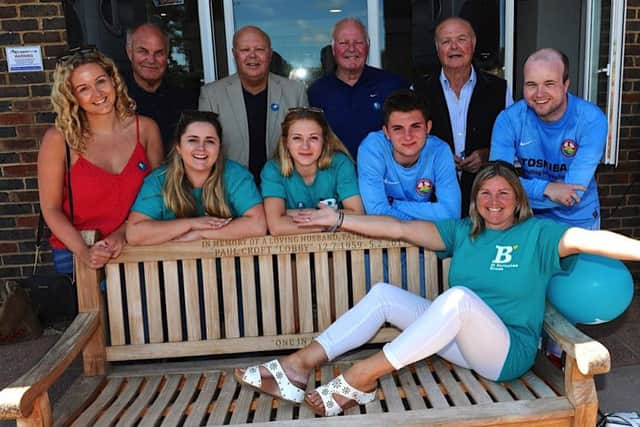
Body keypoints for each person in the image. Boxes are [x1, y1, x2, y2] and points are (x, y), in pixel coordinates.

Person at [233, 160, 640, 416]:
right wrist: (337, 220)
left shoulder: (540, 235)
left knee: (459, 299)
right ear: (474, 200)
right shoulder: (463, 232)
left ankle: (363, 376)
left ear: (518, 201)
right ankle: (297, 367)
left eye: (503, 193)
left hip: (506, 354)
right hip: (460, 345)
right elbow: (399, 227)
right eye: (485, 192)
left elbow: (597, 240)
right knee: (384, 295)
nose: (493, 201)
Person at [38, 47, 163, 273]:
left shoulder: (145, 129)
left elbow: (159, 196)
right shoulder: (59, 140)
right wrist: (85, 252)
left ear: (113, 80)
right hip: (77, 251)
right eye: (83, 88)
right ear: (71, 96)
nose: (97, 94)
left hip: (138, 244)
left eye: (101, 82)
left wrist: (122, 234)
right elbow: (50, 208)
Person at [490, 48, 607, 229]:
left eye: (549, 84)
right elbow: (496, 184)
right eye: (531, 84)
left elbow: (573, 194)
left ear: (566, 85)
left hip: (578, 221)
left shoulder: (591, 120)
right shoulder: (508, 120)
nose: (539, 93)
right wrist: (548, 189)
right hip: (529, 218)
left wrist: (517, 188)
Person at [412, 17, 512, 216]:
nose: (454, 47)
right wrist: (437, 156)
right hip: (434, 200)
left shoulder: (499, 89)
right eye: (446, 41)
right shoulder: (418, 90)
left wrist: (486, 155)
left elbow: (513, 141)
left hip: (487, 200)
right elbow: (409, 142)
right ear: (437, 48)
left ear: (473, 44)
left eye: (461, 39)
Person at [126, 111, 267, 245]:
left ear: (219, 147)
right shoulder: (158, 180)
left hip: (228, 267)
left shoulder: (236, 175)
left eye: (210, 141)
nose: (201, 148)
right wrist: (192, 223)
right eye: (192, 140)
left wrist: (202, 233)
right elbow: (134, 233)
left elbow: (258, 225)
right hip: (174, 268)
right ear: (179, 147)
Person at [199, 26, 308, 181]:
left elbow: (307, 142)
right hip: (231, 189)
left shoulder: (294, 91)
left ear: (269, 54)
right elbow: (204, 151)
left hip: (285, 186)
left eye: (259, 49)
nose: (252, 56)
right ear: (234, 54)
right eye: (245, 50)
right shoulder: (211, 94)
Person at [308, 18, 408, 158]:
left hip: (384, 176)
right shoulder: (317, 92)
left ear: (368, 47)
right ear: (334, 50)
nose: (351, 48)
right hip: (335, 176)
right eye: (344, 43)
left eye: (358, 42)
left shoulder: (393, 85)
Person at [358, 90, 461, 221]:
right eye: (398, 128)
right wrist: (428, 216)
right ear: (386, 132)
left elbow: (452, 214)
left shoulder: (439, 150)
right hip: (386, 237)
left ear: (428, 128)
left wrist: (393, 204)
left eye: (415, 126)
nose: (408, 136)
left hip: (419, 235)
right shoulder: (372, 148)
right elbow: (376, 213)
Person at [260, 107, 363, 235]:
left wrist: (291, 213)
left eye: (313, 138)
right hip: (293, 252)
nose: (305, 146)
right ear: (286, 142)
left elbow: (357, 214)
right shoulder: (273, 169)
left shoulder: (340, 164)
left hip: (339, 250)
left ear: (324, 141)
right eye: (297, 138)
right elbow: (277, 227)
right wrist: (332, 221)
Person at [125, 22, 197, 154]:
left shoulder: (185, 99)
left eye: (159, 53)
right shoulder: (116, 99)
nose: (151, 60)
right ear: (130, 53)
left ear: (167, 55)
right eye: (143, 51)